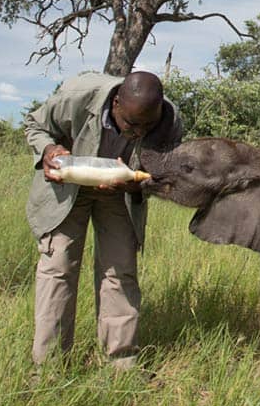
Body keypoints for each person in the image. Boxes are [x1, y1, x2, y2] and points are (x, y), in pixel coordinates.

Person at [24, 70, 184, 371]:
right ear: (115, 105)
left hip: (119, 195)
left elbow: (165, 170)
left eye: (147, 126)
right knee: (58, 270)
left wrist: (138, 184)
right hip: (66, 188)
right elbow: (35, 124)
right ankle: (49, 368)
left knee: (120, 272)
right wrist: (48, 150)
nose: (139, 133)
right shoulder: (77, 96)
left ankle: (121, 363)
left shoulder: (169, 120)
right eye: (132, 125)